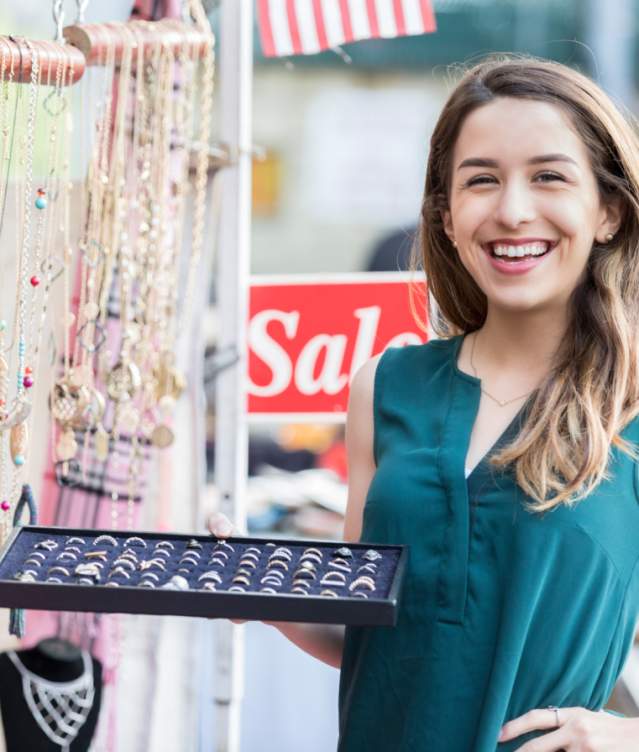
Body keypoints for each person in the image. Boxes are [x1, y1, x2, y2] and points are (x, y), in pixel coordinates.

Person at [209, 55, 639, 751]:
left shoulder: (630, 404)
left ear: (609, 211)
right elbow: (366, 627)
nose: (511, 210)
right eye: (480, 181)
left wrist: (622, 737)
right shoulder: (383, 386)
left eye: (548, 176)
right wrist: (258, 592)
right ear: (444, 214)